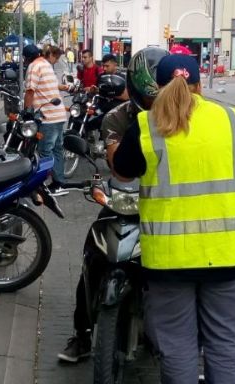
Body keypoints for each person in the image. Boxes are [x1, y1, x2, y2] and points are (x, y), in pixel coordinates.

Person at [107, 54, 235, 384]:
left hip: (169, 259)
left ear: (156, 87)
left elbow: (122, 172)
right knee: (225, 347)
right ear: (200, 82)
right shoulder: (233, 120)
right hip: (227, 256)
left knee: (177, 347)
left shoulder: (146, 125)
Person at [57, 47, 169, 363]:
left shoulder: (180, 117)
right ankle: (81, 334)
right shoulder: (116, 118)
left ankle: (195, 348)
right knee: (93, 257)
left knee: (191, 274)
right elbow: (119, 167)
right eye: (147, 99)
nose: (152, 105)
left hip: (169, 207)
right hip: (126, 200)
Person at [23, 44, 67, 194]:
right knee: (57, 149)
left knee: (45, 151)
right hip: (59, 114)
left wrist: (27, 112)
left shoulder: (34, 67)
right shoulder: (47, 65)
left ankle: (44, 185)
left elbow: (30, 91)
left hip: (48, 116)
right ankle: (59, 182)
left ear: (27, 58)